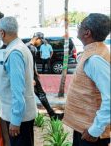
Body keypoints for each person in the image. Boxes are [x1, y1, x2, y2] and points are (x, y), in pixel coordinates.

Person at [63, 13, 110, 146]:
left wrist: (95, 130)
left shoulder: (95, 59)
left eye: (80, 26)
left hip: (90, 134)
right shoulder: (94, 51)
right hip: (85, 127)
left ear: (87, 33)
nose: (78, 28)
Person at [0, 16, 37, 146]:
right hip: (23, 116)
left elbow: (17, 88)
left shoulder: (15, 53)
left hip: (20, 118)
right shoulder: (21, 47)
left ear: (2, 32)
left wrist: (15, 120)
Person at [26, 32, 63, 120]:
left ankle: (52, 114)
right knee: (40, 94)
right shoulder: (31, 48)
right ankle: (52, 115)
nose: (41, 43)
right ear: (36, 38)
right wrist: (31, 77)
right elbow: (27, 64)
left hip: (31, 75)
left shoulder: (29, 46)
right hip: (29, 76)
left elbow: (32, 63)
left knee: (38, 94)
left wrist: (36, 72)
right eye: (41, 41)